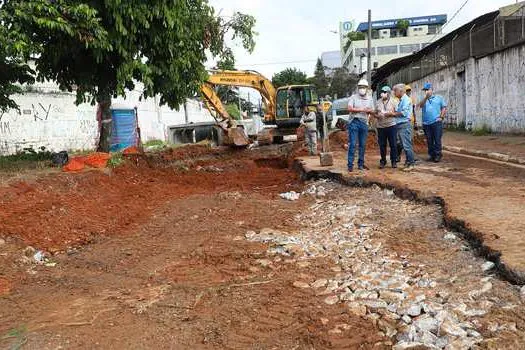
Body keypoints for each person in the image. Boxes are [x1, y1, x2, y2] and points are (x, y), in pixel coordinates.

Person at [347, 79, 374, 172]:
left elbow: (372, 111)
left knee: (362, 144)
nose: (362, 89)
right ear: (358, 88)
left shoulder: (370, 98)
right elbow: (350, 108)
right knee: (353, 144)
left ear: (367, 88)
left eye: (363, 87)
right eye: (360, 87)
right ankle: (350, 165)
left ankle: (360, 164)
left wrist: (369, 111)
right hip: (354, 121)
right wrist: (362, 109)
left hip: (364, 122)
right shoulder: (353, 97)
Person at [419, 82, 447, 162]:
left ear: (431, 90)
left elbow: (444, 107)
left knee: (437, 139)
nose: (426, 91)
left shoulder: (439, 98)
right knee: (429, 140)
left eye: (427, 90)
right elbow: (420, 106)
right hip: (426, 123)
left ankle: (438, 155)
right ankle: (432, 155)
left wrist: (441, 117)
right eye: (425, 90)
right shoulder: (424, 99)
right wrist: (425, 98)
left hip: (436, 122)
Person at [392, 84, 416, 170]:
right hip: (401, 124)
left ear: (401, 91)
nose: (394, 92)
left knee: (406, 145)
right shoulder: (401, 100)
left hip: (404, 124)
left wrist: (392, 114)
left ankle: (411, 163)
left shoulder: (406, 100)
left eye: (395, 91)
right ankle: (408, 162)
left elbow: (404, 113)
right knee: (403, 144)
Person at [374, 86, 398, 169]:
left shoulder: (394, 101)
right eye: (382, 92)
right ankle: (383, 160)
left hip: (391, 126)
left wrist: (391, 114)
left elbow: (398, 113)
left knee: (393, 144)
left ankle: (394, 161)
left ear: (388, 93)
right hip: (380, 127)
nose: (383, 94)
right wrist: (377, 116)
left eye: (385, 92)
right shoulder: (378, 102)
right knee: (382, 145)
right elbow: (374, 113)